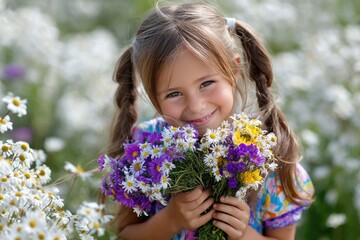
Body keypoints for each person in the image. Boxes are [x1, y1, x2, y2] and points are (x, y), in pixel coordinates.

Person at [103, 1, 314, 239]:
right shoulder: (145, 150)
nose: (195, 106)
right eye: (174, 94)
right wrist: (170, 220)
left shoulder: (268, 161)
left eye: (206, 83)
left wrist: (243, 234)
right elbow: (125, 233)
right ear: (153, 97)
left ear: (233, 70)